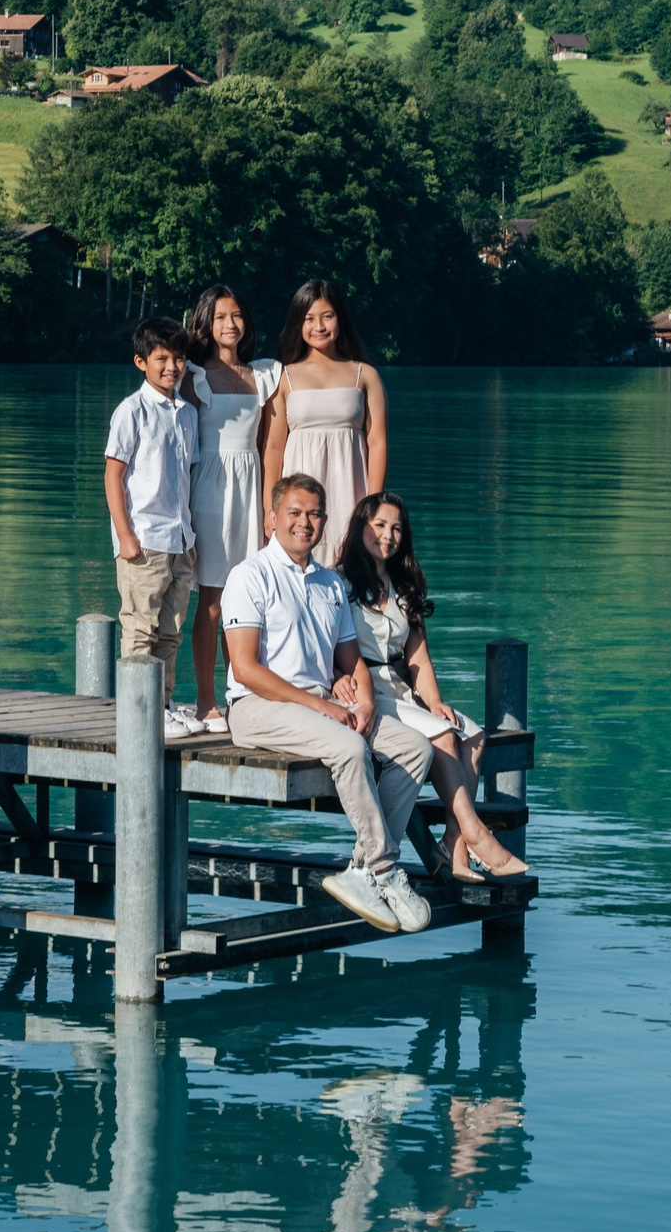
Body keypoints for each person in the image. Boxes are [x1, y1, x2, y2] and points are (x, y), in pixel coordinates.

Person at [224, 474, 435, 934]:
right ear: (273, 519)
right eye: (294, 513)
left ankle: (361, 869)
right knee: (349, 747)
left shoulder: (330, 585)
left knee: (418, 748)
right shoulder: (249, 575)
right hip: (257, 707)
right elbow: (245, 669)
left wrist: (365, 703)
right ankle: (383, 868)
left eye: (315, 514)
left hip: (320, 705)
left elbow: (350, 659)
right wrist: (323, 708)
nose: (305, 523)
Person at [338, 492, 532, 882]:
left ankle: (454, 846)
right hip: (363, 693)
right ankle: (477, 835)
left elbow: (418, 660)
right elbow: (326, 646)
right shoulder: (338, 583)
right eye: (379, 525)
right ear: (361, 526)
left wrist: (435, 701)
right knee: (443, 736)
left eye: (396, 528)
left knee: (471, 736)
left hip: (398, 690)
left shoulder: (404, 586)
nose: (388, 536)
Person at [179, 284, 282, 735]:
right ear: (205, 323)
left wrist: (268, 508)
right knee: (214, 602)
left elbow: (268, 447)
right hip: (209, 490)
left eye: (237, 315)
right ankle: (204, 700)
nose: (231, 324)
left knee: (248, 601)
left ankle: (239, 693)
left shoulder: (263, 376)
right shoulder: (194, 376)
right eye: (221, 316)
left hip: (250, 487)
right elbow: (181, 445)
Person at [103, 318, 202, 737]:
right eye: (161, 358)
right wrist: (126, 536)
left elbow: (186, 477)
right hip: (144, 539)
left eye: (178, 358)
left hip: (181, 537)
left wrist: (191, 536)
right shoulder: (132, 410)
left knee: (171, 630)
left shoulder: (188, 414)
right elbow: (113, 475)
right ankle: (138, 709)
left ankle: (162, 703)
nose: (172, 367)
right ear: (141, 362)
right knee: (140, 628)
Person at [263, 279, 389, 568]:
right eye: (309, 319)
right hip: (297, 496)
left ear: (340, 319)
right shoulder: (283, 378)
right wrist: (270, 508)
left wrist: (374, 506)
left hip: (351, 491)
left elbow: (378, 443)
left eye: (327, 316)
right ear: (298, 323)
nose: (319, 326)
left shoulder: (365, 375)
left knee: (352, 578)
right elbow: (272, 448)